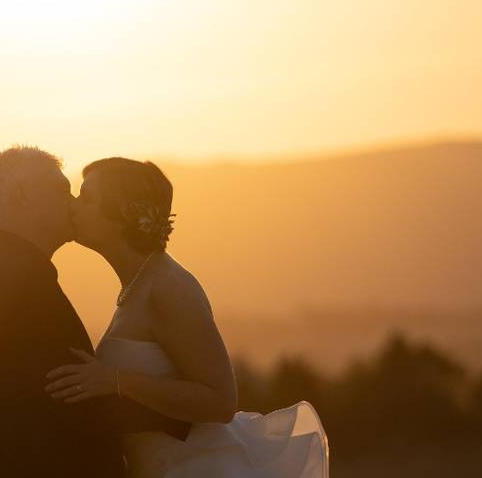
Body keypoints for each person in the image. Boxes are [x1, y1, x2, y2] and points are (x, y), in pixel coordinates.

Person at [45, 157, 329, 477]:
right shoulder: (140, 283)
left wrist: (115, 380)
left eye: (86, 197)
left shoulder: (168, 286)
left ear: (121, 213)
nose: (73, 205)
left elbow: (221, 401)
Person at [0, 147, 188, 478]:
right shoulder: (19, 282)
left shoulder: (1, 273)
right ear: (23, 195)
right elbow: (73, 401)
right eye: (63, 190)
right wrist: (187, 415)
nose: (73, 203)